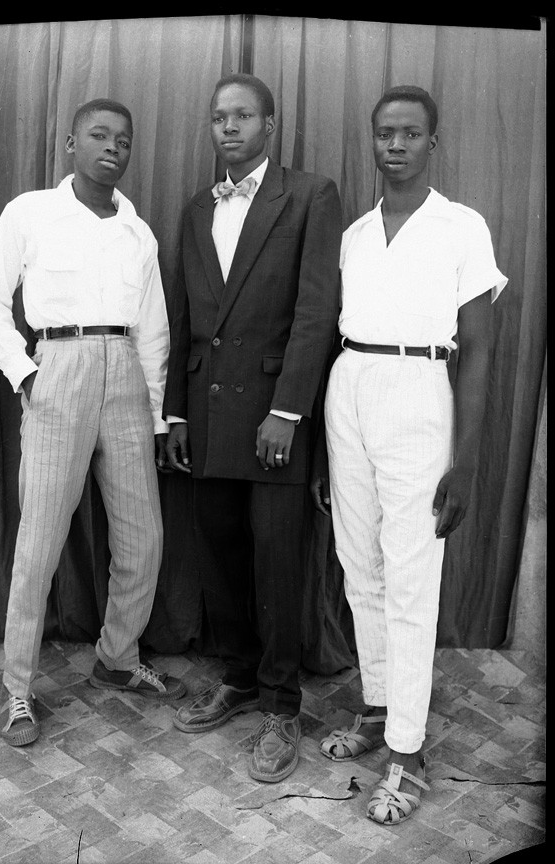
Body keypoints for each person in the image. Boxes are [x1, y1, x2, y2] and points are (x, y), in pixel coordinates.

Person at [311, 85, 507, 823]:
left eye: (409, 133)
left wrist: (466, 460)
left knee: (409, 572)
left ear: (433, 143)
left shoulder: (460, 226)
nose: (394, 144)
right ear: (372, 141)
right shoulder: (356, 233)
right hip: (350, 383)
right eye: (383, 133)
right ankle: (377, 706)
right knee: (358, 564)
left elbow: (480, 349)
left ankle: (407, 748)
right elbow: (337, 330)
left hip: (420, 385)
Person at [0, 98, 186, 748]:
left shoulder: (138, 232)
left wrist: (151, 416)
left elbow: (153, 333)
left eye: (124, 138)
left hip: (123, 376)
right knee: (38, 544)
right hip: (57, 369)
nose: (113, 147)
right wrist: (27, 374)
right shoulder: (30, 213)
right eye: (99, 134)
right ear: (71, 143)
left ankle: (117, 656)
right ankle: (16, 692)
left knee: (144, 538)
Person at [164, 73, 342, 782]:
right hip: (206, 414)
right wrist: (175, 411)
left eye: (242, 116)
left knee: (275, 560)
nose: (228, 127)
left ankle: (280, 702)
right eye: (218, 117)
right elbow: (184, 316)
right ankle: (238, 678)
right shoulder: (192, 209)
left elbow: (314, 309)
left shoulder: (310, 195)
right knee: (220, 554)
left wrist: (287, 411)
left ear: (270, 125)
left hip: (273, 415)